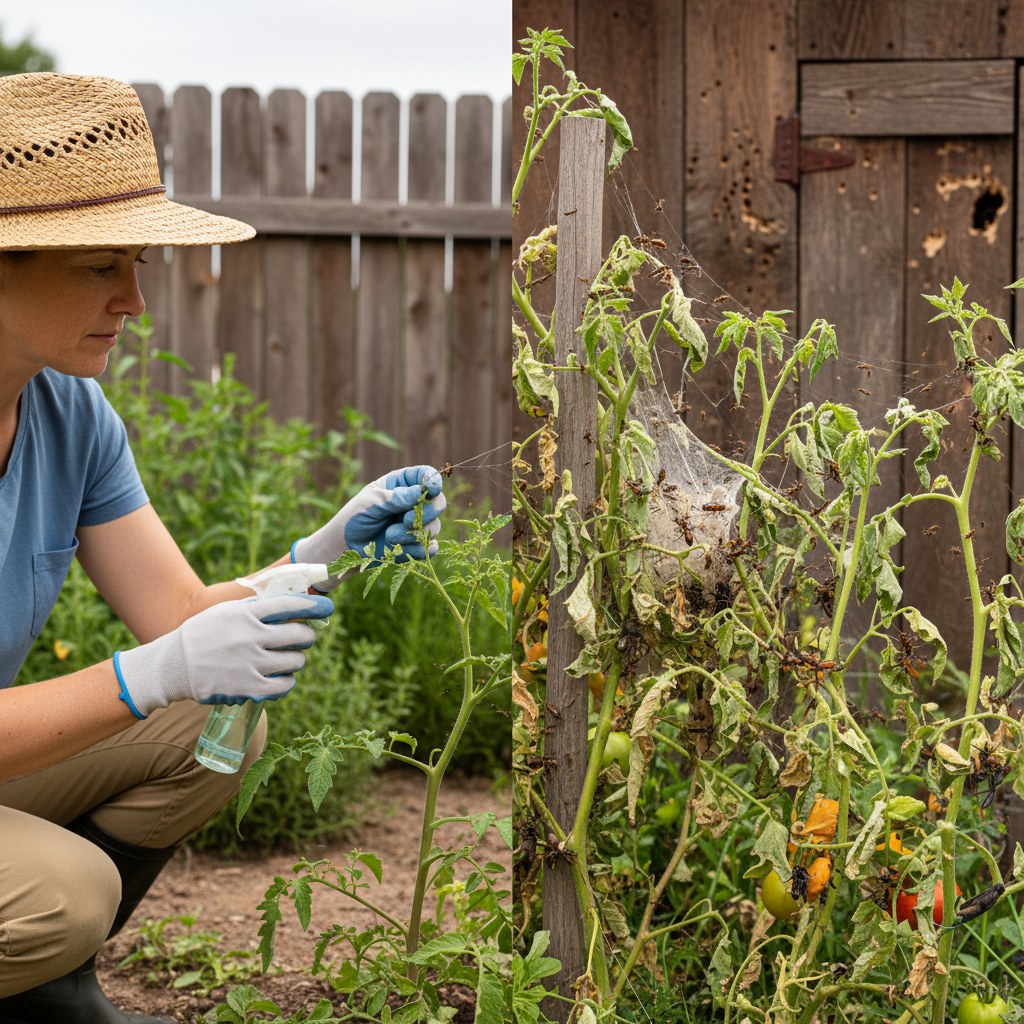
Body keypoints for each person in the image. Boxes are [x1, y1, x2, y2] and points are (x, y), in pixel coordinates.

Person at [0, 73, 446, 1024]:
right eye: (99, 266)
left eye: (139, 265)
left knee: (211, 726)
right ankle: (44, 961)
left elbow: (178, 623)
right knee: (59, 894)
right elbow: (155, 660)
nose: (134, 302)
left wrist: (324, 546)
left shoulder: (68, 412)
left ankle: (44, 987)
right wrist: (138, 677)